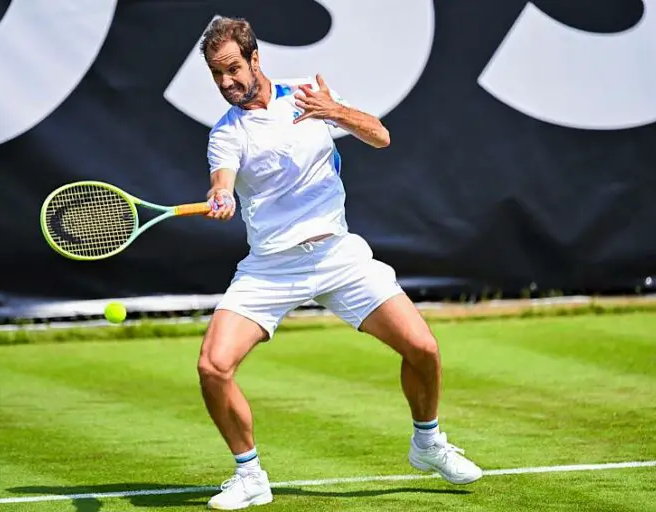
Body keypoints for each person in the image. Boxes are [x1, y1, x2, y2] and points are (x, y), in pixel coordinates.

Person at [196, 16, 482, 510]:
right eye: (216, 74)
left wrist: (335, 110)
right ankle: (250, 476)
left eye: (233, 69)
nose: (226, 82)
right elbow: (223, 180)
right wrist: (221, 195)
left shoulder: (308, 96)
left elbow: (380, 136)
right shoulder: (226, 133)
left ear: (255, 58)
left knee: (423, 348)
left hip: (338, 255)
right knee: (212, 366)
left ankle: (428, 443)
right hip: (271, 268)